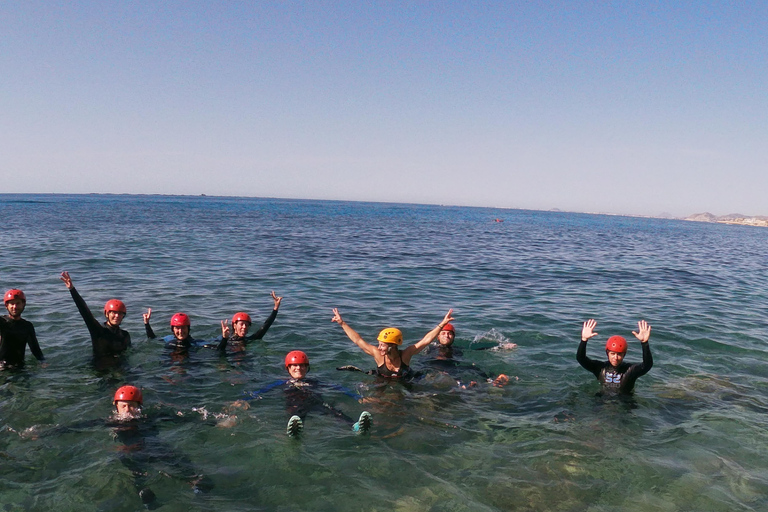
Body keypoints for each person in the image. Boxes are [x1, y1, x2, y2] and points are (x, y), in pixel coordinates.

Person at [243, 350, 372, 437]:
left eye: (302, 365)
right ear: (288, 368)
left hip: (316, 403)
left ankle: (355, 427)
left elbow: (337, 387)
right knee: (296, 416)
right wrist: (245, 399)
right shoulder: (283, 383)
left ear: (307, 368)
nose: (298, 368)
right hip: (296, 406)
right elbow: (263, 391)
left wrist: (357, 397)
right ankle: (294, 433)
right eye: (294, 365)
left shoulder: (313, 381)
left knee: (334, 411)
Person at [331, 308, 454, 380]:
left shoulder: (406, 355)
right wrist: (342, 323)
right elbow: (358, 340)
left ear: (393, 346)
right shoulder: (378, 355)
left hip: (405, 381)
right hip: (382, 381)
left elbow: (426, 340)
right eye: (379, 344)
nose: (379, 347)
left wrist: (442, 324)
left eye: (382, 345)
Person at [60, 271, 131, 360]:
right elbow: (85, 312)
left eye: (120, 313)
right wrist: (72, 289)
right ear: (106, 314)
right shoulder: (98, 331)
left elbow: (129, 354)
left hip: (120, 367)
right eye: (113, 313)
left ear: (123, 316)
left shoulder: (125, 335)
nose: (117, 316)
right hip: (101, 369)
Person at [577, 319, 653, 394]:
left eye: (619, 354)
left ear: (624, 354)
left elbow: (647, 365)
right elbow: (581, 359)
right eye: (612, 354)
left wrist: (644, 343)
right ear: (607, 353)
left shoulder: (630, 370)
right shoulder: (600, 368)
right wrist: (584, 340)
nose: (615, 358)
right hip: (603, 400)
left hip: (625, 401)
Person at [422, 323, 509, 388]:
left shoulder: (457, 348)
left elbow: (477, 347)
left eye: (450, 334)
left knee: (473, 367)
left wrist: (501, 346)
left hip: (454, 369)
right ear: (438, 336)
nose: (447, 336)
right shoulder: (431, 348)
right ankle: (464, 385)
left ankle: (493, 380)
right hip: (437, 369)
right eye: (443, 333)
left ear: (453, 337)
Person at [217, 291, 283, 351]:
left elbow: (266, 326)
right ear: (234, 326)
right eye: (241, 324)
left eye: (246, 325)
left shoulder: (249, 340)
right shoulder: (228, 341)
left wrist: (276, 308)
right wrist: (224, 339)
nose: (244, 327)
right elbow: (220, 352)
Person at [0, 289, 45, 368]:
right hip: (2, 367)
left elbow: (35, 348)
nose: (15, 307)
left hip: (20, 366)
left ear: (23, 304)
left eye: (18, 303)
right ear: (7, 305)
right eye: (12, 304)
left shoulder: (27, 326)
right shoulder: (2, 322)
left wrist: (42, 361)